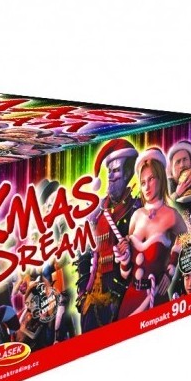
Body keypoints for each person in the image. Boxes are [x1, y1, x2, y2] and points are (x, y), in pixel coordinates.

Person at [76, 139, 142, 331]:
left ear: (128, 173)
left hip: (122, 298)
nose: (111, 177)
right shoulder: (96, 212)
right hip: (92, 297)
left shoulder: (136, 210)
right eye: (109, 171)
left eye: (116, 171)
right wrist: (83, 289)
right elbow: (84, 251)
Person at [115, 147, 188, 319]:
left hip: (156, 299)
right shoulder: (136, 216)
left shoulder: (171, 215)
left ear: (161, 178)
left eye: (151, 179)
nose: (146, 187)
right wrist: (124, 257)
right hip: (131, 299)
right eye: (143, 182)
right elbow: (126, 272)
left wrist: (171, 270)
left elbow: (186, 237)